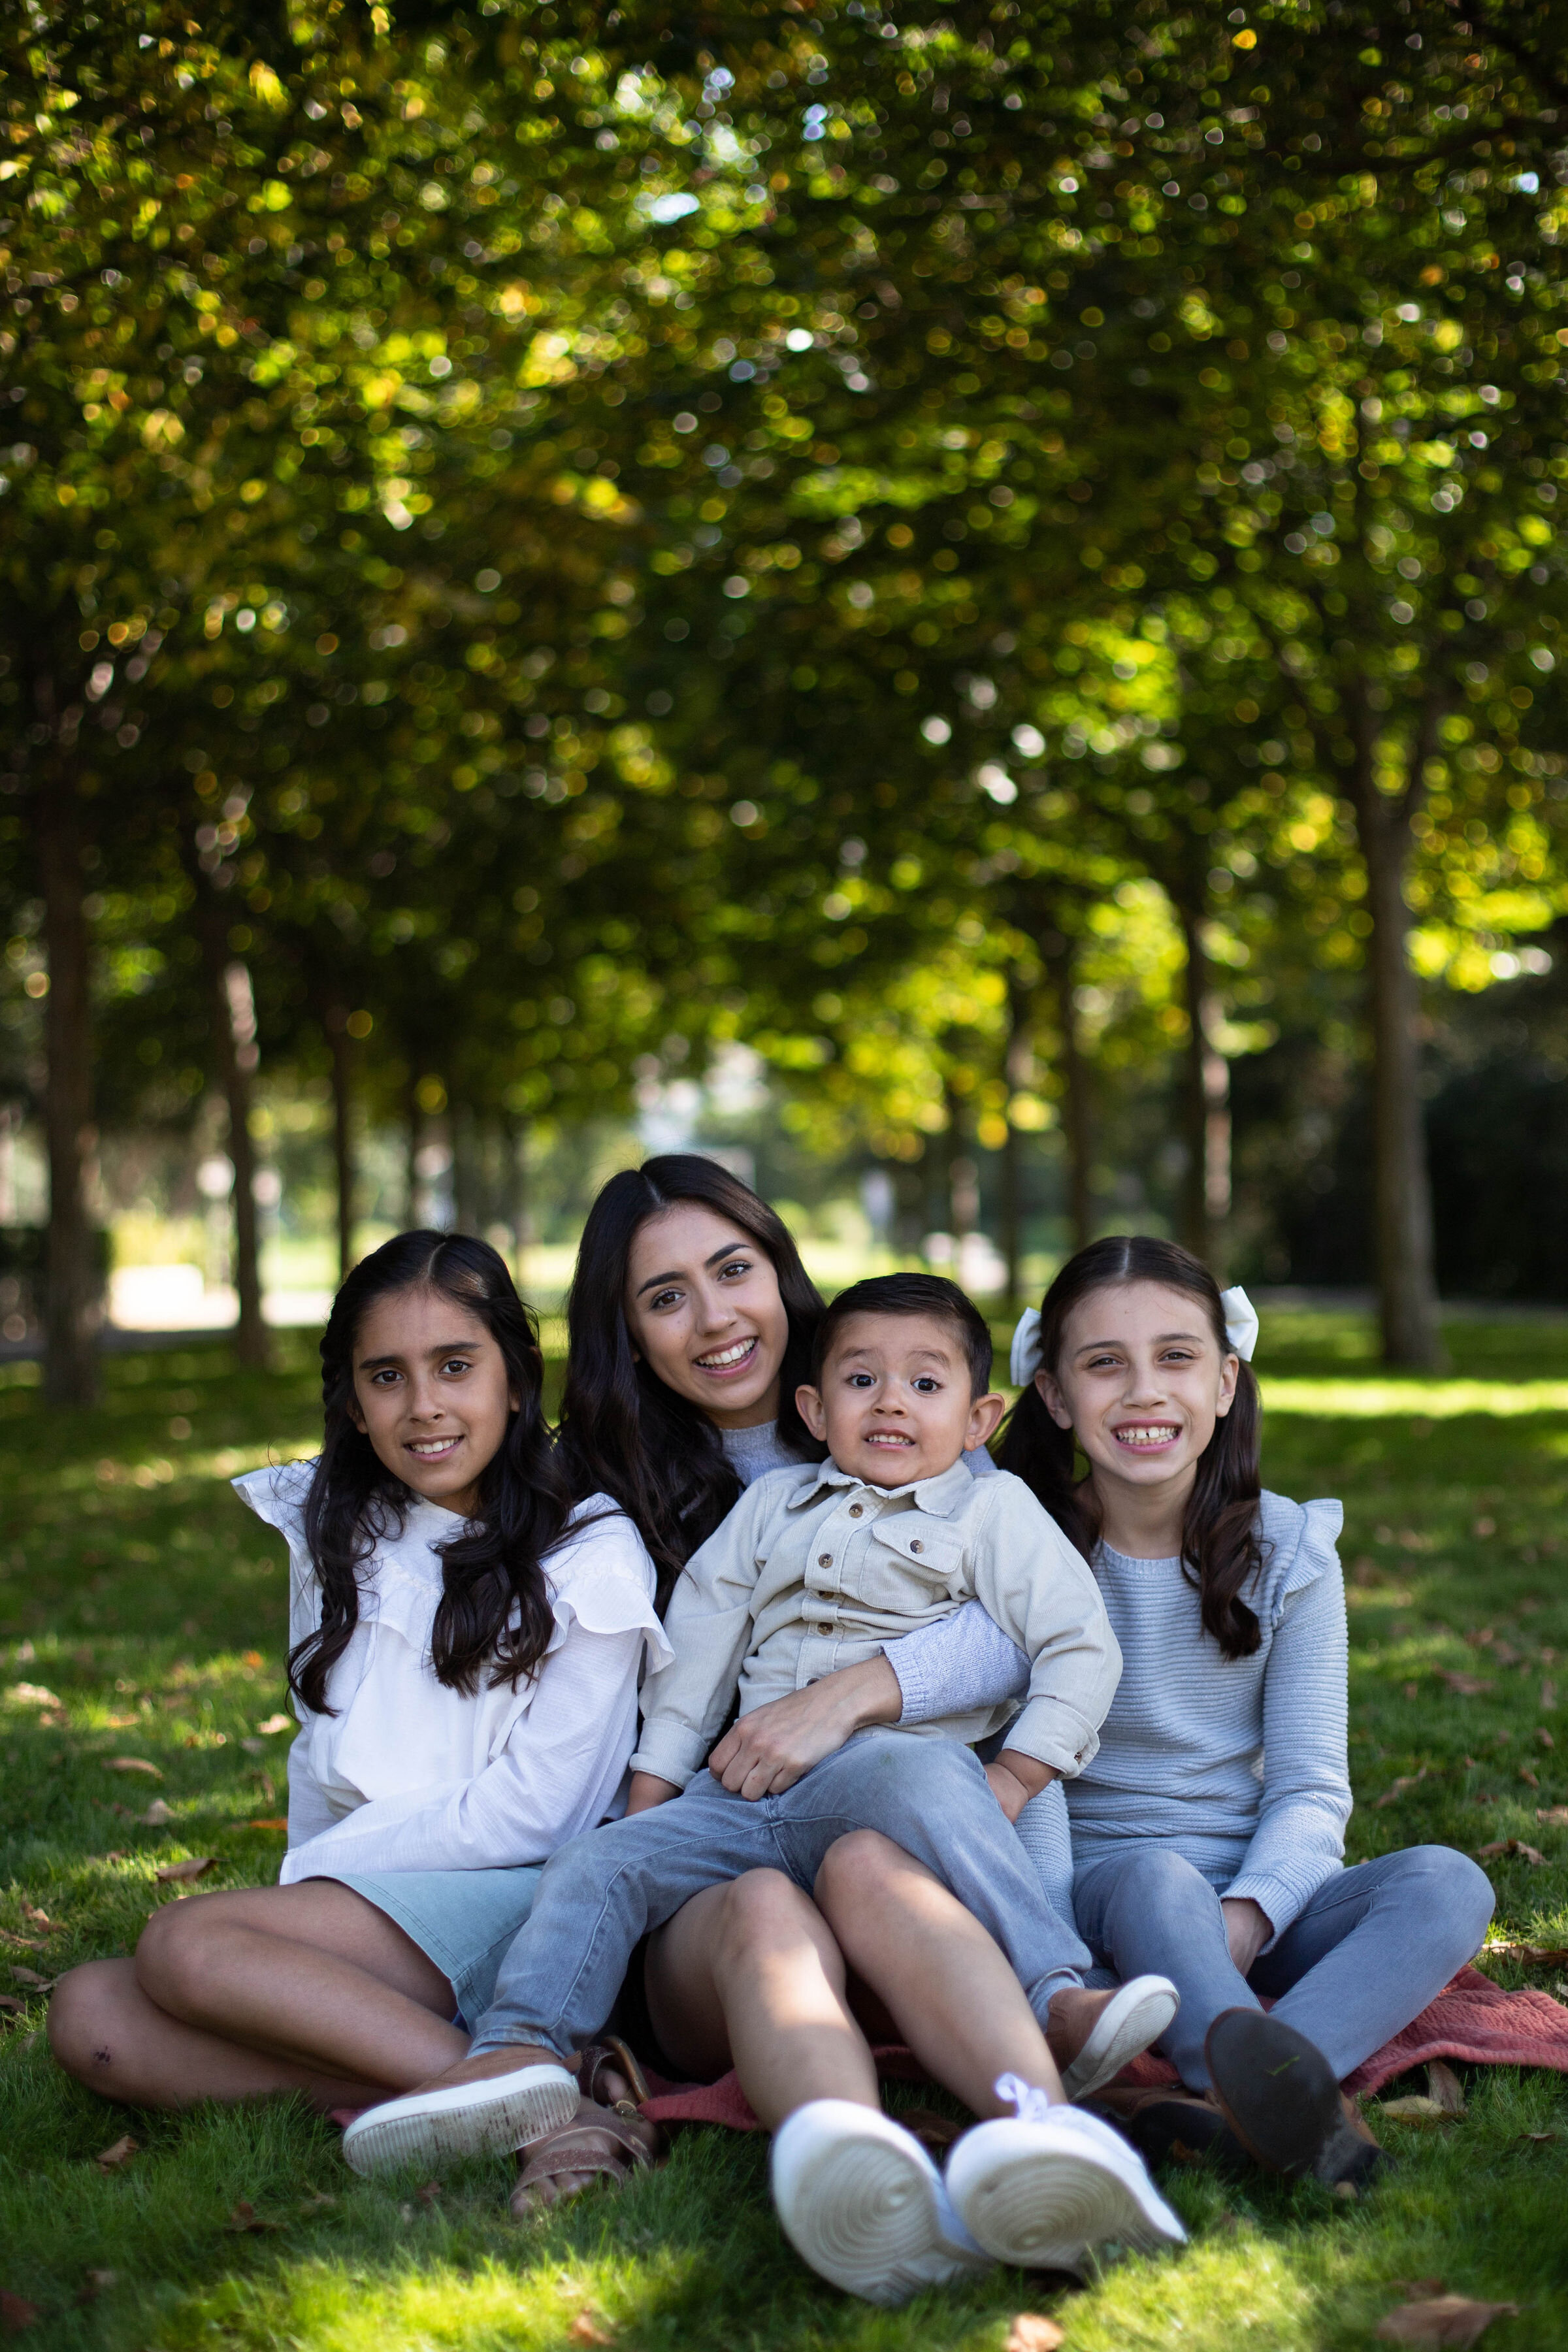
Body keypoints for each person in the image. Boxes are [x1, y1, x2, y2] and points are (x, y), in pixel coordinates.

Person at [340, 1271, 1186, 2300]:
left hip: (880, 1784)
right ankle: (523, 2051)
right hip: (740, 1798)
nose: (888, 1402)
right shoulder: (773, 1505)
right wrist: (654, 1800)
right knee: (598, 1859)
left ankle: (1053, 1992)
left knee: (919, 1766)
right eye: (862, 1380)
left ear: (981, 1419)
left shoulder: (995, 1512)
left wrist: (1013, 1773)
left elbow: (1077, 1647)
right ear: (812, 1411)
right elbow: (697, 1654)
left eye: (924, 1385)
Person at [842, 1234, 1497, 2186]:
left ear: (1226, 1382)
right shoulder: (1018, 1554)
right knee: (1157, 1880)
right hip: (1103, 1897)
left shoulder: (1293, 1552)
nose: (1145, 1391)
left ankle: (1239, 2096)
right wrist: (1065, 1955)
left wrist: (1249, 1911)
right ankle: (1270, 2090)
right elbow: (1036, 1778)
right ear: (1058, 1398)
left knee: (1447, 1883)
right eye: (1105, 1364)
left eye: (1176, 1358)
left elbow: (1314, 1786)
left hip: (1259, 1905)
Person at [47, 1231, 668, 2151]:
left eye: (455, 1366)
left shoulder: (588, 1552)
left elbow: (544, 1815)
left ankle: (552, 2112)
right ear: (353, 1397)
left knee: (186, 1946)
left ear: (515, 1371)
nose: (424, 1407)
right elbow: (325, 1748)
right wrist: (305, 1910)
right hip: (376, 1901)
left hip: (526, 1902)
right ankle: (518, 2085)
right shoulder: (340, 1527)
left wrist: (325, 1876)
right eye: (387, 1377)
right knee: (90, 2014)